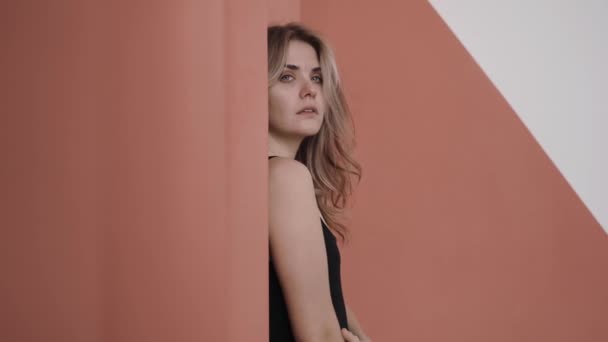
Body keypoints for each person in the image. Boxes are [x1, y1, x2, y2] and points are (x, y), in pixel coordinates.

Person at [268, 22, 371, 342]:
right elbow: (320, 336)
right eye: (287, 76)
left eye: (317, 77)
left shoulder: (279, 178)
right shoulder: (285, 177)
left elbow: (326, 300)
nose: (310, 89)